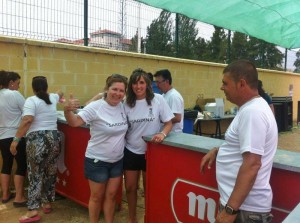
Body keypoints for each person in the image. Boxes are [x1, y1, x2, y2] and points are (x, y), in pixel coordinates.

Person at [200, 60, 277, 223]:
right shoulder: (250, 109)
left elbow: (252, 164)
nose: (222, 88)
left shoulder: (253, 112)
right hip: (242, 208)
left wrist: (230, 210)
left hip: (244, 211)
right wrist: (219, 150)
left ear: (241, 84)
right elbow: (246, 148)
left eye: (225, 83)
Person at [63, 74, 128, 223]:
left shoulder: (123, 107)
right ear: (107, 89)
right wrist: (67, 111)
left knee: (111, 196)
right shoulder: (95, 107)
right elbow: (74, 122)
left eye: (121, 91)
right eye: (114, 89)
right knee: (97, 197)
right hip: (97, 161)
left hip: (117, 161)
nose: (117, 93)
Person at [10, 76, 64, 223]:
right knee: (50, 172)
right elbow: (60, 92)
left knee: (35, 174)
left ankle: (33, 210)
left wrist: (16, 140)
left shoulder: (31, 100)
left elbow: (27, 120)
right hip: (54, 139)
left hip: (37, 140)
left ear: (33, 88)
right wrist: (60, 97)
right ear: (46, 87)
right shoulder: (52, 98)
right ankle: (47, 203)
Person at [124, 68, 174, 223]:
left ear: (147, 84)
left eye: (141, 82)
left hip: (151, 153)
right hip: (131, 150)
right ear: (131, 85)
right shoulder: (126, 103)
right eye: (134, 83)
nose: (138, 86)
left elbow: (168, 122)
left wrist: (162, 134)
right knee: (131, 188)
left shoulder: (158, 99)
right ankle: (132, 218)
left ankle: (149, 217)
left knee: (149, 190)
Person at [0, 70, 27, 207]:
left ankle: (5, 194)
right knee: (21, 165)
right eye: (17, 83)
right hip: (17, 136)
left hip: (2, 137)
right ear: (10, 83)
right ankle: (19, 197)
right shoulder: (15, 95)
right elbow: (27, 113)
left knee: (6, 164)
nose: (18, 86)